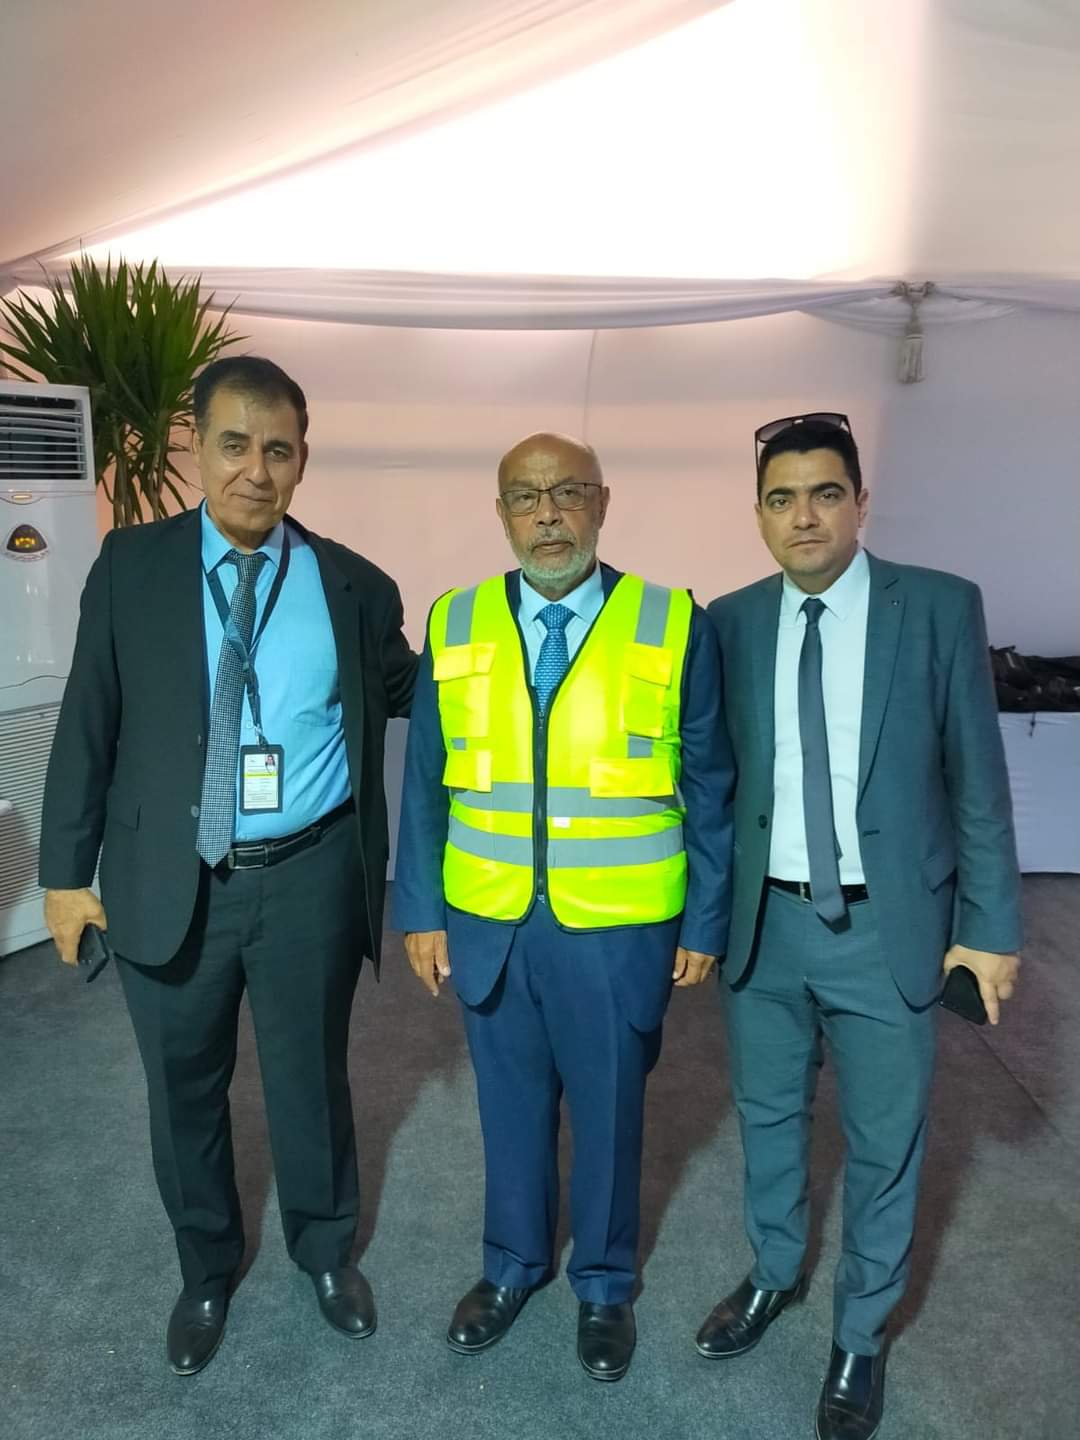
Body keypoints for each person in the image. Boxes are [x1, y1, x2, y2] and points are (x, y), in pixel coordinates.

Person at [39, 356, 416, 1375]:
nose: (256, 469)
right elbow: (88, 719)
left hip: (308, 878)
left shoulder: (352, 585)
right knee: (183, 1091)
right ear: (196, 448)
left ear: (303, 459)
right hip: (170, 877)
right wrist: (65, 874)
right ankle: (205, 1269)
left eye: (278, 449)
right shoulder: (132, 566)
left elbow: (415, 691)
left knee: (310, 1080)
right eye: (235, 445)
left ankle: (325, 1254)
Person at [702, 414, 1022, 1440]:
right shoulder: (730, 621)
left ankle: (861, 1333)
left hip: (889, 931)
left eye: (826, 494)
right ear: (760, 514)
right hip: (765, 923)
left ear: (860, 503)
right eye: (783, 498)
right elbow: (714, 784)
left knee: (886, 1142)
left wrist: (992, 926)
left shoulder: (936, 607)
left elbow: (979, 780)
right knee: (767, 1117)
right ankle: (774, 1271)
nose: (805, 516)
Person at [393, 432, 733, 1381]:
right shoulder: (455, 619)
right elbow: (424, 782)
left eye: (568, 493)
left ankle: (605, 1283)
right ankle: (511, 1267)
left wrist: (705, 919)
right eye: (526, 497)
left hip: (617, 928)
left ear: (603, 503)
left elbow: (712, 784)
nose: (548, 515)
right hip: (490, 918)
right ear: (501, 513)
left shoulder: (672, 621)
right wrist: (419, 908)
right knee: (508, 1109)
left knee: (612, 1111)